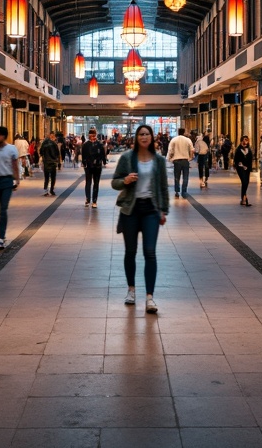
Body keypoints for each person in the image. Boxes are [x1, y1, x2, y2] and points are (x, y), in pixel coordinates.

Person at [111, 123, 169, 313]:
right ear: (136, 138)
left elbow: (163, 187)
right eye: (141, 134)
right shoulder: (127, 158)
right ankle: (131, 290)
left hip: (151, 210)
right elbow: (115, 182)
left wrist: (163, 210)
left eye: (147, 134)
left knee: (150, 252)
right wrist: (125, 180)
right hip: (131, 210)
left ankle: (150, 297)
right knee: (130, 252)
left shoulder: (158, 160)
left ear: (152, 137)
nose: (144, 137)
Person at [166, 126, 194, 199]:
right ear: (184, 132)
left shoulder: (174, 140)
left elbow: (170, 150)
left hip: (177, 161)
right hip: (185, 160)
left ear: (178, 132)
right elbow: (192, 150)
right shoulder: (188, 140)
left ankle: (176, 191)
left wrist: (169, 159)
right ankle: (184, 192)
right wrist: (190, 158)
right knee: (185, 177)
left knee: (177, 177)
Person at [81, 127, 107, 207]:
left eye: (94, 135)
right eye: (91, 135)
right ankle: (88, 199)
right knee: (88, 183)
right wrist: (84, 163)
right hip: (88, 166)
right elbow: (83, 155)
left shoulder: (99, 144)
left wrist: (103, 161)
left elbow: (103, 154)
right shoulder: (85, 145)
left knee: (96, 183)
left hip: (97, 166)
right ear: (89, 136)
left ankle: (94, 201)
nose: (93, 137)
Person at [234, 135, 254, 206]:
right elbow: (236, 159)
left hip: (247, 168)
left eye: (247, 140)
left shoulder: (249, 149)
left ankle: (243, 199)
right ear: (241, 141)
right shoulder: (238, 150)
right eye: (244, 140)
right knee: (244, 181)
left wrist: (249, 167)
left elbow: (251, 159)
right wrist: (240, 165)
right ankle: (244, 198)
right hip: (240, 168)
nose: (245, 141)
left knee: (246, 182)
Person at [40, 131, 60, 196]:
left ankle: (46, 190)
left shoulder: (44, 143)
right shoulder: (54, 144)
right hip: (53, 162)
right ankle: (51, 190)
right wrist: (57, 161)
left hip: (46, 162)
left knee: (46, 177)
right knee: (53, 177)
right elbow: (57, 153)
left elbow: (41, 152)